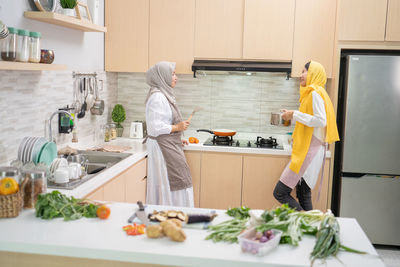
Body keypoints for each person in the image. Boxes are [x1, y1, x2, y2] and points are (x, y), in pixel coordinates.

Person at [273, 61, 339, 211]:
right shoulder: (315, 93)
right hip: (311, 150)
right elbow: (313, 117)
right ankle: (310, 227)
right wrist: (292, 113)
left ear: (314, 74)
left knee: (280, 193)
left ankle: (307, 220)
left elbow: (320, 120)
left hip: (310, 152)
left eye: (304, 71)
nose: (301, 75)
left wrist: (294, 114)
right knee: (303, 194)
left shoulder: (315, 93)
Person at [144, 61, 194, 207]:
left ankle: (179, 214)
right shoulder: (157, 97)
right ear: (162, 76)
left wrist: (176, 138)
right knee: (174, 181)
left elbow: (163, 124)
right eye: (172, 74)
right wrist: (177, 127)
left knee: (178, 180)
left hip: (168, 144)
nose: (175, 77)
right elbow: (154, 128)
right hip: (161, 148)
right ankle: (173, 215)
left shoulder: (163, 94)